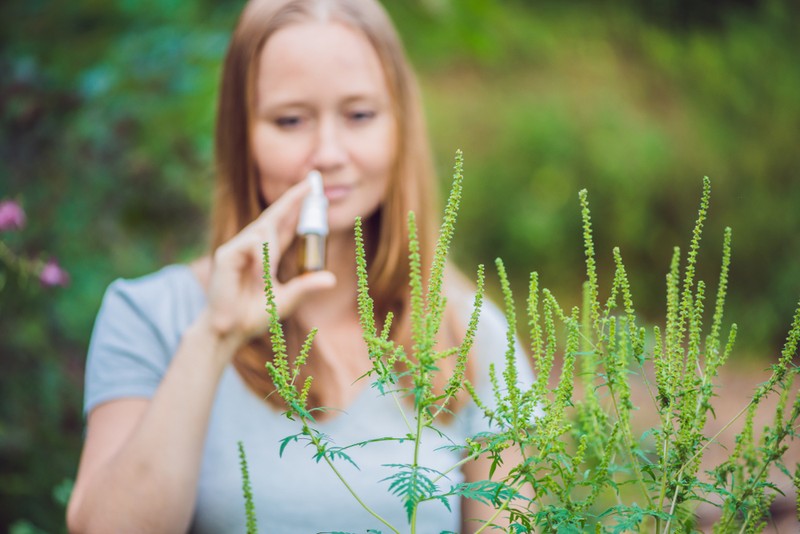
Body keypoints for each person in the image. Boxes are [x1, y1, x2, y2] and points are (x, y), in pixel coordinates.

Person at [66, 0, 533, 532]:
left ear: (400, 125)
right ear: (242, 137)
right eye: (291, 120)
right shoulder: (150, 315)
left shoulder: (471, 332)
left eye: (359, 115)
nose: (327, 153)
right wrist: (214, 335)